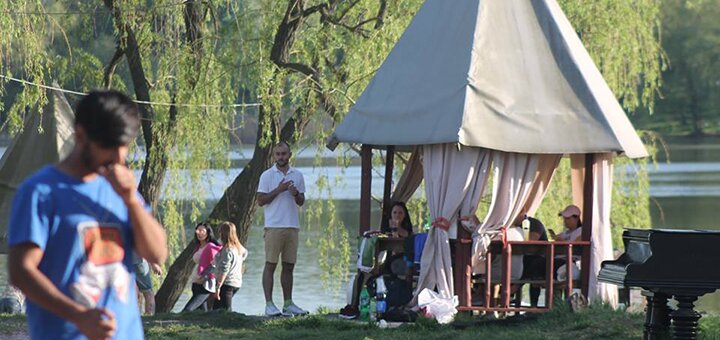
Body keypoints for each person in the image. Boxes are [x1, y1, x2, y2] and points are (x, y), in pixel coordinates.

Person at [7, 90, 168, 339]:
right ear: (81, 135)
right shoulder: (40, 192)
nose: (118, 157)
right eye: (110, 147)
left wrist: (131, 202)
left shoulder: (122, 189)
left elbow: (157, 253)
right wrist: (78, 316)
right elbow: (21, 271)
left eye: (123, 147)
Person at [257, 141, 308, 316]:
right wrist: (279, 189)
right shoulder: (267, 175)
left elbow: (301, 201)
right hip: (274, 226)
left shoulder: (298, 175)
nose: (281, 157)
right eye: (278, 154)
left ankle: (288, 303)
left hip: (292, 226)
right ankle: (269, 305)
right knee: (270, 265)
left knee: (288, 266)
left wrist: (295, 194)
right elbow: (260, 200)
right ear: (274, 156)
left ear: (290, 155)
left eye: (284, 154)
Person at [182, 222, 222, 312]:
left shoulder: (211, 247)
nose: (199, 233)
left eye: (202, 231)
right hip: (196, 283)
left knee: (188, 309)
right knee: (202, 312)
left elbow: (215, 266)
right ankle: (205, 325)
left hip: (205, 284)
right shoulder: (198, 247)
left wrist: (204, 277)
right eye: (197, 230)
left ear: (208, 232)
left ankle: (176, 323)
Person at [210, 222, 248, 311]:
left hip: (227, 284)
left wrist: (218, 287)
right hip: (237, 282)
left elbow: (224, 270)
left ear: (222, 233)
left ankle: (230, 323)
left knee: (226, 310)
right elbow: (245, 254)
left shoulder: (227, 251)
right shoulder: (239, 248)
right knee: (217, 308)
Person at [518, 214, 548, 307]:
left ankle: (533, 305)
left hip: (540, 259)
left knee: (533, 265)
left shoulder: (534, 224)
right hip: (524, 259)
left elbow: (531, 243)